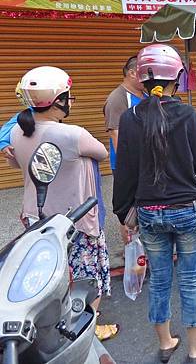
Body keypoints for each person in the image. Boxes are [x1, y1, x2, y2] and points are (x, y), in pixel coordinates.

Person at [113, 44, 196, 364]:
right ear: (178, 77)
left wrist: (123, 212)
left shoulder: (130, 119)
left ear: (142, 79)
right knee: (190, 279)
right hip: (189, 211)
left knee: (159, 279)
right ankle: (193, 349)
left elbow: (125, 170)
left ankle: (165, 344)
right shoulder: (188, 115)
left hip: (149, 213)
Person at [5, 66, 118, 341]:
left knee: (51, 276)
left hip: (36, 217)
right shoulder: (73, 134)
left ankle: (53, 329)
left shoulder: (18, 133)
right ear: (58, 101)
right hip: (74, 220)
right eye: (69, 96)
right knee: (86, 277)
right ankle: (86, 330)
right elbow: (102, 152)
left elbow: (16, 160)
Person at [103, 55, 146, 245]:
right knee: (129, 210)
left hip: (144, 163)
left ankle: (144, 248)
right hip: (127, 166)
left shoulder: (145, 95)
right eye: (143, 73)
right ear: (131, 73)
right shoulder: (117, 99)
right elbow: (116, 136)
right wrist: (131, 169)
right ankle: (131, 252)